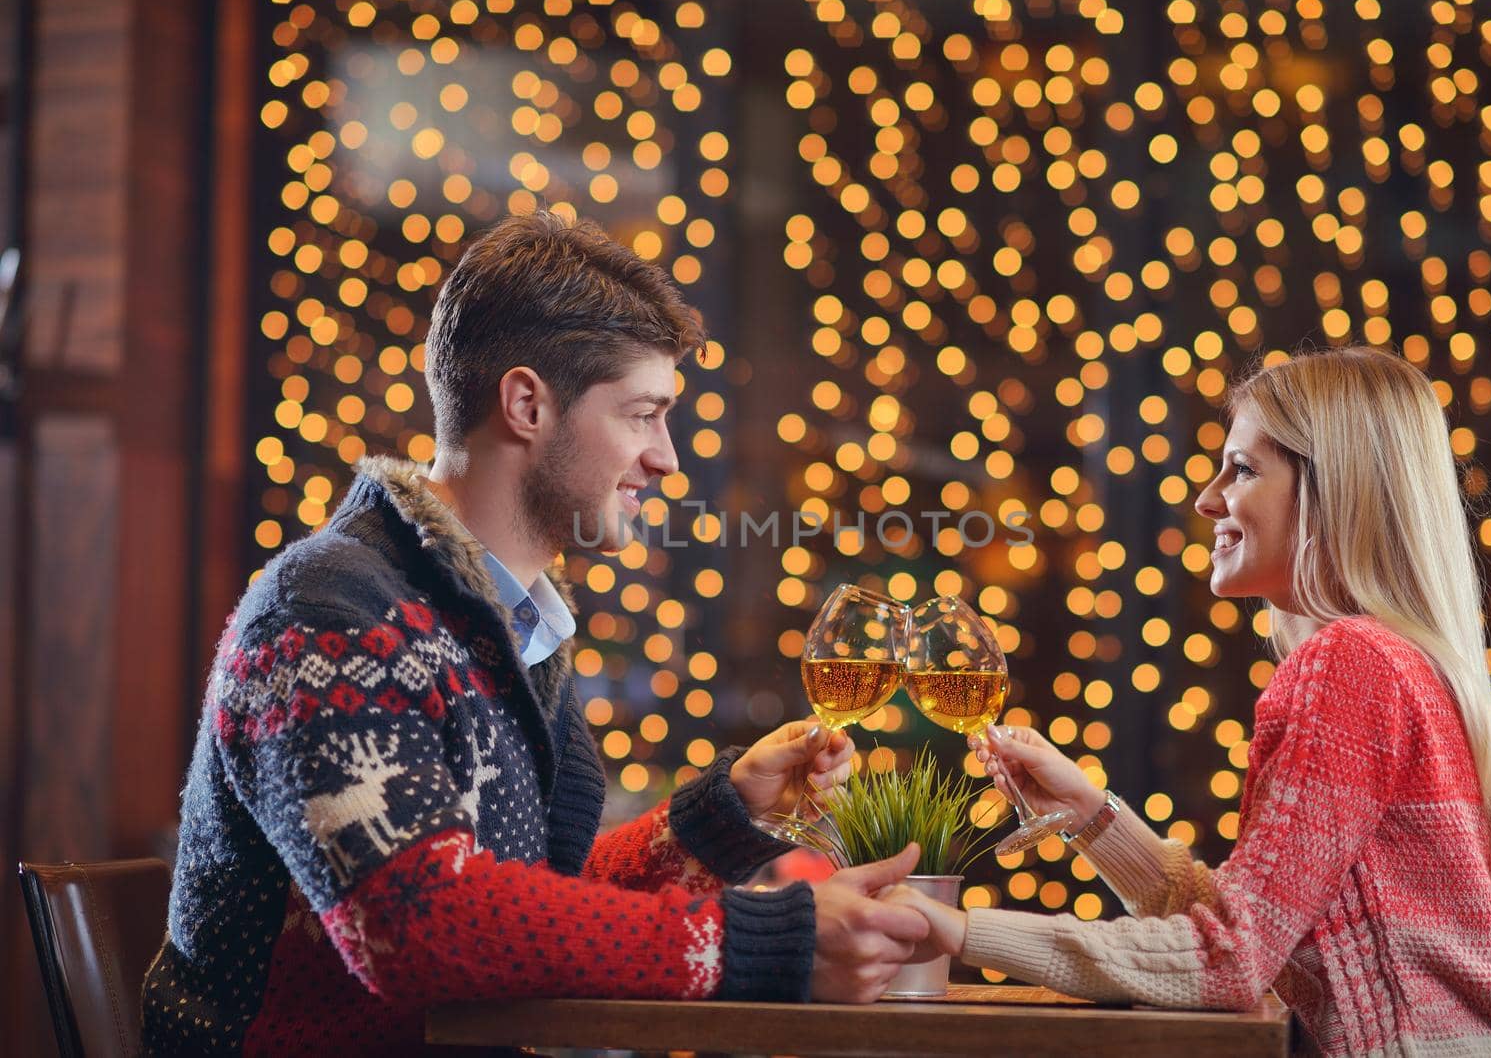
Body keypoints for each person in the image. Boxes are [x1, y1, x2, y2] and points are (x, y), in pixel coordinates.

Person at [143, 211, 928, 1055]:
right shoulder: (328, 613)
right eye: (642, 414)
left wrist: (719, 820)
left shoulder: (505, 624)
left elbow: (524, 906)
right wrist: (770, 942)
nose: (667, 459)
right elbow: (423, 929)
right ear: (526, 405)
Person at [887, 348, 1491, 1056]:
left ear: (1329, 488)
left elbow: (1229, 960)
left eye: (1242, 470)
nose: (1207, 499)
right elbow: (1253, 926)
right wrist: (1092, 817)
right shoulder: (1397, 660)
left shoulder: (1350, 666)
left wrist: (962, 930)